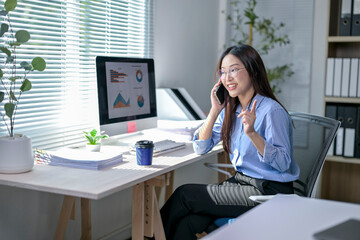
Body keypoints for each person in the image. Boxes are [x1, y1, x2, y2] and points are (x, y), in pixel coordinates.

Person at [160, 44, 300, 240]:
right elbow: (201, 147)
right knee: (186, 221)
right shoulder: (231, 110)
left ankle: (152, 236)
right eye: (223, 72)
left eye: (234, 70)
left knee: (184, 195)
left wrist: (252, 133)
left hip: (267, 191)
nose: (227, 78)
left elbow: (284, 163)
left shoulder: (271, 111)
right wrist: (214, 110)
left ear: (253, 70)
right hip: (242, 183)